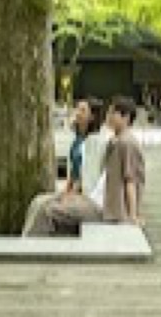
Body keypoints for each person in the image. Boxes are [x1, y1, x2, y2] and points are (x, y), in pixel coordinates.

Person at [22, 98, 106, 236]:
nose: (77, 113)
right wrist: (65, 192)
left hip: (87, 197)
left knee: (47, 210)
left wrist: (72, 194)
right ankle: (26, 240)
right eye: (77, 109)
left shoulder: (97, 143)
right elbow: (72, 173)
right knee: (37, 202)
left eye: (82, 110)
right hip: (73, 191)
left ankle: (33, 246)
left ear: (92, 117)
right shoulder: (77, 141)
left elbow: (88, 175)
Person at [102, 96, 146, 227]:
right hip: (109, 206)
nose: (108, 116)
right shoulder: (114, 140)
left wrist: (133, 215)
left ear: (126, 117)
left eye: (113, 113)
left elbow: (130, 180)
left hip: (118, 211)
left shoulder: (126, 143)